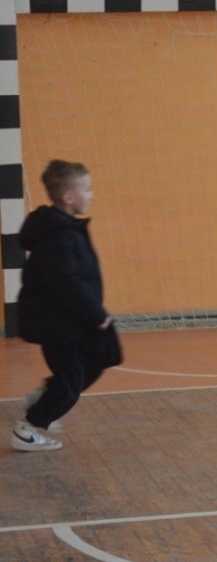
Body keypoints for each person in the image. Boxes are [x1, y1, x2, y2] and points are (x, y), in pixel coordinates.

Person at [10, 160, 121, 452]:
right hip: (58, 325)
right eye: (87, 189)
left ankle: (45, 397)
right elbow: (65, 283)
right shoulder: (58, 235)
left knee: (100, 358)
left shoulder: (67, 228)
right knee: (70, 388)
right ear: (68, 196)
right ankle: (27, 429)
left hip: (72, 319)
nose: (92, 195)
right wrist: (95, 315)